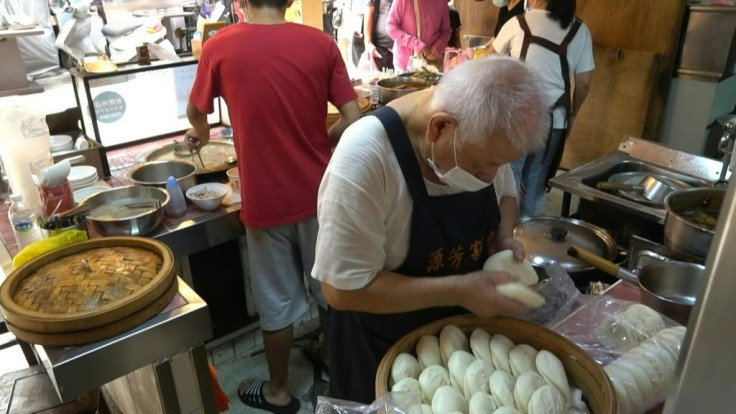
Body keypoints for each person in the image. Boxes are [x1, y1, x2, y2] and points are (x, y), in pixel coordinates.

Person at [312, 56, 550, 403]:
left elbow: (507, 194)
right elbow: (341, 290)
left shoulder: (479, 138)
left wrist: (503, 237)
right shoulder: (365, 159)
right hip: (380, 349)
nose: (489, 176)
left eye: (500, 163)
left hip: (463, 344)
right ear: (439, 128)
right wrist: (459, 290)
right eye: (482, 165)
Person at [185, 0, 362, 412]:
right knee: (330, 292)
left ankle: (280, 392)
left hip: (265, 203)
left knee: (276, 304)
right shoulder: (320, 44)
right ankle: (340, 369)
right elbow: (353, 117)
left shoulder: (219, 46)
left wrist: (200, 131)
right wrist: (324, 141)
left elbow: (197, 113)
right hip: (320, 196)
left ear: (241, 2)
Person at [488, 0, 593, 217]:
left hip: (518, 117)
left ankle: (504, 241)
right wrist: (572, 113)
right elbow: (583, 82)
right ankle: (528, 243)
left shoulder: (518, 23)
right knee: (535, 186)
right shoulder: (579, 30)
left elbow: (489, 61)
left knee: (509, 182)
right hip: (555, 119)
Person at [386, 0, 451, 71]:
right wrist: (415, 44)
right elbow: (391, 27)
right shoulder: (403, 1)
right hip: (405, 65)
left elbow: (446, 31)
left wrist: (438, 47)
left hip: (432, 65)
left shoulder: (441, 2)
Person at [362, 0, 395, 71]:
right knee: (381, 80)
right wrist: (368, 43)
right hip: (381, 48)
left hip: (404, 49)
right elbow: (368, 12)